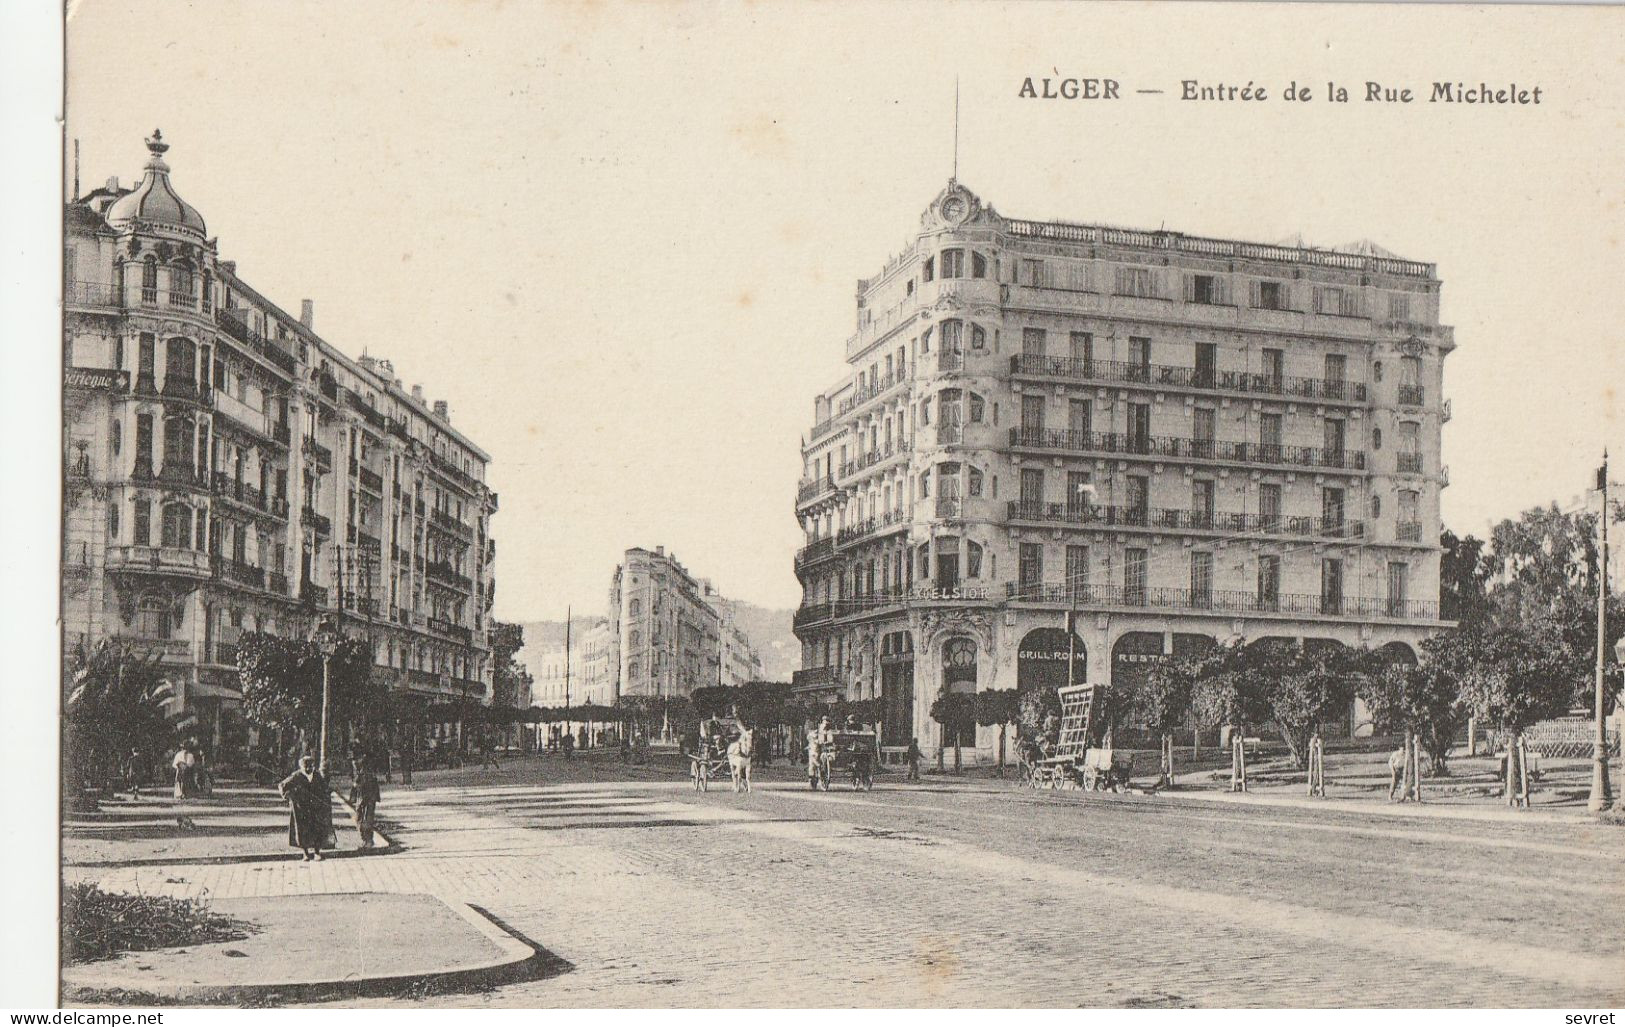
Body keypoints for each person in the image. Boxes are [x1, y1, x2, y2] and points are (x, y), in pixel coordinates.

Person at [278, 755, 336, 861]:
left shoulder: (317, 776)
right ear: (301, 767)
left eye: (311, 767)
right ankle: (305, 853)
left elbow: (325, 788)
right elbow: (282, 785)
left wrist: (328, 793)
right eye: (306, 767)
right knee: (302, 830)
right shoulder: (296, 776)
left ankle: (317, 852)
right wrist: (288, 796)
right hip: (301, 809)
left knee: (317, 829)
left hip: (315, 809)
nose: (309, 769)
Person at [348, 756, 381, 850]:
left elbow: (370, 789)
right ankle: (366, 840)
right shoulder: (359, 774)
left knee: (366, 820)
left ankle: (368, 841)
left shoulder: (367, 775)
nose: (354, 766)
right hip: (362, 801)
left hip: (367, 801)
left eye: (355, 764)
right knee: (359, 820)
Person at [807, 716, 835, 787]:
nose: (825, 725)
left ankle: (816, 775)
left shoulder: (830, 731)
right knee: (814, 760)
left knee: (815, 760)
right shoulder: (818, 732)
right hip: (819, 749)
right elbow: (812, 737)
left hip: (827, 749)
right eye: (825, 724)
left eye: (827, 724)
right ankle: (813, 778)